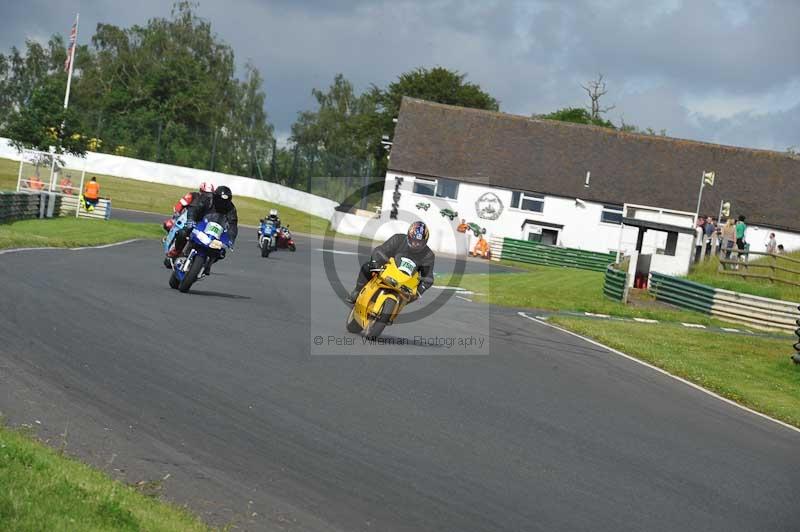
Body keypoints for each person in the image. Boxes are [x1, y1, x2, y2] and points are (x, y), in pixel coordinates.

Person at [346, 221, 435, 304]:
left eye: (419, 242)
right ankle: (357, 291)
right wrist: (376, 261)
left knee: (415, 296)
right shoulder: (398, 239)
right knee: (367, 266)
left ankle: (394, 310)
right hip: (388, 270)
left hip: (407, 282)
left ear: (425, 241)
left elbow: (428, 276)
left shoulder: (428, 255)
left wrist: (420, 290)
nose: (416, 244)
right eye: (413, 241)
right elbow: (381, 250)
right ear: (408, 236)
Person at [173, 185, 238, 274]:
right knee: (182, 233)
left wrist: (231, 239)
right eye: (220, 200)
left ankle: (208, 264)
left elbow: (233, 224)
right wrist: (191, 219)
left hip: (215, 230)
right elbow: (195, 209)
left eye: (225, 202)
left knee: (221, 252)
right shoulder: (207, 199)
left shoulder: (231, 208)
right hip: (199, 223)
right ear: (215, 197)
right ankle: (177, 252)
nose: (222, 203)